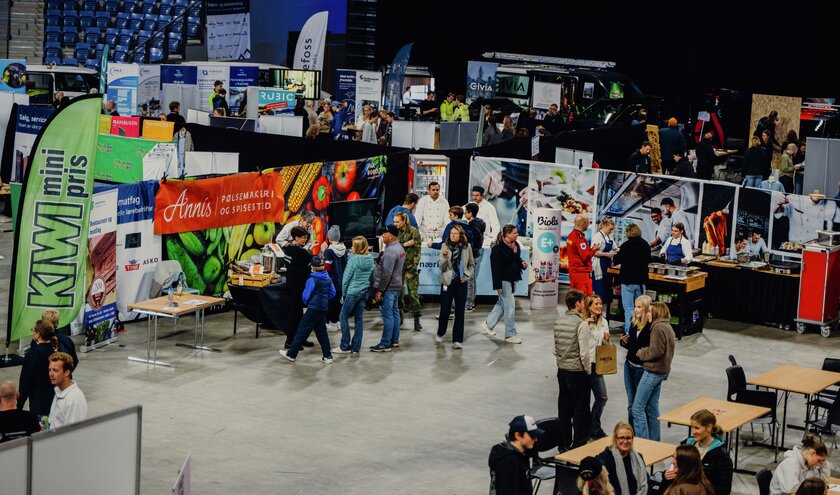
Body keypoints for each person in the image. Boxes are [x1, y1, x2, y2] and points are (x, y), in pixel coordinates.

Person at [632, 302, 675, 441]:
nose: (647, 314)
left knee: (637, 409)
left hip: (653, 372)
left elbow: (655, 351)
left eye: (649, 311)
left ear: (656, 312)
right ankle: (655, 442)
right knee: (652, 408)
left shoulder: (657, 328)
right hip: (662, 372)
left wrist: (641, 352)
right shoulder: (667, 326)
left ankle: (643, 444)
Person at [279, 256, 336, 364]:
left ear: (313, 267)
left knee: (302, 330)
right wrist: (323, 299)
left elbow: (306, 295)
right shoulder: (327, 277)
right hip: (323, 308)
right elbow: (332, 293)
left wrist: (307, 303)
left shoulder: (312, 279)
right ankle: (327, 356)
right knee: (322, 333)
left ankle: (291, 354)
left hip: (313, 308)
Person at [554, 289, 591, 449]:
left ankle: (563, 444)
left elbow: (555, 348)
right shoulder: (581, 324)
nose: (584, 305)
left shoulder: (559, 321)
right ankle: (579, 444)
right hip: (577, 372)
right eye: (583, 302)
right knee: (580, 410)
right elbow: (584, 353)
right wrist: (588, 371)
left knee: (564, 409)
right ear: (577, 304)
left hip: (562, 370)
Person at [670, 409, 733, 495]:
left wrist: (698, 489)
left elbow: (724, 490)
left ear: (709, 428)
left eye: (697, 428)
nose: (693, 431)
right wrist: (667, 474)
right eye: (692, 427)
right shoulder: (686, 445)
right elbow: (675, 468)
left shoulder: (721, 456)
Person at [482, 224, 526, 344]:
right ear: (507, 234)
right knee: (510, 307)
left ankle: (488, 324)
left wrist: (522, 263)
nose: (517, 234)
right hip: (504, 281)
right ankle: (510, 334)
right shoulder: (497, 249)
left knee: (502, 304)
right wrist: (498, 286)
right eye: (515, 233)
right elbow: (495, 269)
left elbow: (516, 259)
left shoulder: (515, 245)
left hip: (513, 278)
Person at [435, 225, 475, 349]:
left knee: (460, 312)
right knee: (445, 310)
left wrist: (467, 276)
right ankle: (440, 332)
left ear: (460, 235)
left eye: (456, 234)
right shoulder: (445, 246)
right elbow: (441, 267)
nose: (453, 235)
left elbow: (471, 264)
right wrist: (444, 257)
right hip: (447, 282)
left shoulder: (467, 247)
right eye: (451, 233)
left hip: (461, 283)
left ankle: (457, 340)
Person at [333, 237, 374, 355]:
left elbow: (346, 279)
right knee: (359, 319)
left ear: (357, 247)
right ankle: (356, 348)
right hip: (363, 291)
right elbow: (371, 275)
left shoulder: (353, 259)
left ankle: (345, 346)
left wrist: (343, 294)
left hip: (352, 292)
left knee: (343, 317)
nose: (351, 247)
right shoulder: (370, 258)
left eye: (353, 245)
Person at [487, 415, 544, 495]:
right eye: (532, 436)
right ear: (517, 435)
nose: (535, 439)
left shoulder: (520, 452)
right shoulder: (511, 463)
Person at [370, 225, 406, 352]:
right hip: (396, 286)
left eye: (384, 234)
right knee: (395, 313)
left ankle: (385, 344)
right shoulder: (399, 247)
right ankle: (394, 340)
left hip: (388, 288)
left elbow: (387, 274)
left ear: (391, 236)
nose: (382, 236)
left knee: (387, 315)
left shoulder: (390, 252)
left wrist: (380, 290)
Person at [618, 295, 651, 429]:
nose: (636, 310)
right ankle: (631, 432)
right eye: (635, 306)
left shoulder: (651, 327)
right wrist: (624, 342)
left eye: (639, 307)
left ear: (646, 309)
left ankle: (642, 433)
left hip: (642, 369)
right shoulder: (633, 323)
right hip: (629, 365)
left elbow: (644, 349)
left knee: (640, 405)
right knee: (631, 403)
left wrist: (632, 346)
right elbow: (633, 346)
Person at [281, 226, 316, 350]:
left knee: (298, 314)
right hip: (298, 287)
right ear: (296, 238)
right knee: (295, 315)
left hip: (291, 285)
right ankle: (290, 341)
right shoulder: (302, 253)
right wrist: (310, 250)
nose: (305, 240)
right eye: (303, 238)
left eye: (306, 238)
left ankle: (299, 339)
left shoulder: (288, 250)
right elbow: (310, 262)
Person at [18, 320, 61, 417]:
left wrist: (19, 405)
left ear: (38, 334)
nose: (32, 332)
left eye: (33, 330)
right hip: (56, 400)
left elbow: (25, 382)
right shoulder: (56, 351)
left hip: (39, 403)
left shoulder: (32, 355)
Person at [583, 294, 611, 439]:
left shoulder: (604, 322)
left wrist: (607, 340)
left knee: (602, 396)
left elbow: (604, 344)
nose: (600, 306)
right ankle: (587, 430)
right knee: (583, 400)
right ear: (589, 307)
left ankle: (594, 427)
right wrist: (585, 325)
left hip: (597, 364)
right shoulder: (584, 322)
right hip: (584, 364)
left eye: (600, 304)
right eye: (596, 304)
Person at [613, 224, 649, 334]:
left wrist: (616, 254)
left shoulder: (625, 245)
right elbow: (648, 260)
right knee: (641, 309)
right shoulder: (645, 244)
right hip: (641, 281)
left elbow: (616, 260)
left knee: (629, 309)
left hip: (627, 281)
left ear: (628, 233)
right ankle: (640, 333)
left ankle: (629, 334)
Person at [596, 422, 648, 495]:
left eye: (628, 438)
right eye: (622, 438)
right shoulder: (604, 460)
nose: (625, 441)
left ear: (632, 439)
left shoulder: (638, 458)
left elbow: (646, 482)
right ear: (615, 439)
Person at [394, 212, 422, 332]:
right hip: (398, 267)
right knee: (398, 292)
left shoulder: (413, 231)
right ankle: (399, 316)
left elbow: (418, 249)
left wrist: (414, 264)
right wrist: (405, 244)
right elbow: (393, 247)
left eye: (397, 222)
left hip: (410, 266)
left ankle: (416, 319)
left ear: (404, 221)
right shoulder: (394, 232)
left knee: (413, 293)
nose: (395, 224)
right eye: (394, 221)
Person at [47, 352, 87, 428]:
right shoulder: (58, 391)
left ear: (66, 373)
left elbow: (72, 432)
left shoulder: (75, 399)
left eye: (55, 370)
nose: (51, 374)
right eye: (49, 370)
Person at [567, 214, 600, 296]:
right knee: (585, 297)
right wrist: (594, 249)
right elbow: (586, 256)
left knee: (574, 297)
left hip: (573, 271)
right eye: (588, 223)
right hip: (581, 273)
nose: (588, 225)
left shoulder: (571, 235)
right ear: (583, 224)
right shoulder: (579, 238)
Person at [322, 226, 347, 332]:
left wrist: (323, 251)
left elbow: (327, 267)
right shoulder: (344, 250)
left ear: (329, 237)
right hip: (342, 281)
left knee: (331, 303)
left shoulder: (328, 251)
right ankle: (337, 322)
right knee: (339, 302)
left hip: (332, 281)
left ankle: (331, 323)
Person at [464, 203, 486, 312]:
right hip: (476, 253)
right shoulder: (481, 224)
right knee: (472, 280)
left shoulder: (471, 226)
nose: (464, 214)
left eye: (466, 212)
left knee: (470, 280)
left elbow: (471, 242)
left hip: (471, 254)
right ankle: (471, 302)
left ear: (470, 213)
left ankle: (469, 304)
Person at [592, 217, 618, 309]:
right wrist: (607, 255)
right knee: (600, 289)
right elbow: (594, 252)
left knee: (607, 287)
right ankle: (597, 308)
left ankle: (604, 309)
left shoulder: (609, 237)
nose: (611, 231)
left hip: (607, 265)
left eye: (612, 230)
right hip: (599, 265)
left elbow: (615, 248)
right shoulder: (597, 237)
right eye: (610, 229)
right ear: (604, 226)